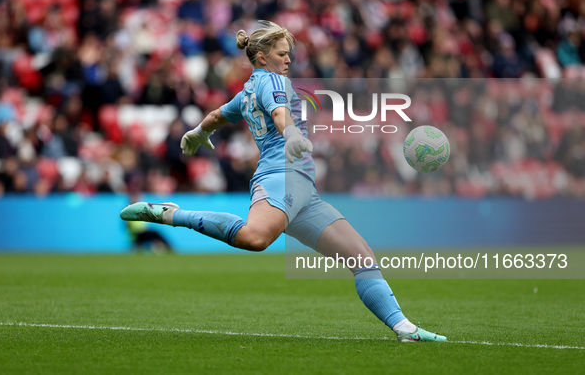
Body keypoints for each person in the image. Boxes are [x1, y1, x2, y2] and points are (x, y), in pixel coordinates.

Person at [120, 21, 446, 342]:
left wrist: (197, 133)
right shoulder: (274, 82)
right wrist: (290, 134)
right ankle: (171, 214)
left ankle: (404, 329)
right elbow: (279, 115)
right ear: (263, 57)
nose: (289, 60)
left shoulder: (247, 91)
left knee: (361, 257)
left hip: (304, 188)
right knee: (254, 238)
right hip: (282, 177)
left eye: (289, 54)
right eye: (282, 53)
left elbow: (219, 115)